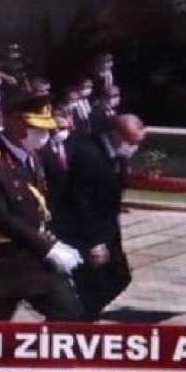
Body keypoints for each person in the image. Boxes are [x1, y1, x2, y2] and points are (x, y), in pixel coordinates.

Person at [0, 94, 85, 321]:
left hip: (31, 256)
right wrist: (47, 247)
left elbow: (36, 203)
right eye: (36, 127)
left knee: (71, 315)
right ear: (13, 121)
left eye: (46, 128)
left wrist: (53, 239)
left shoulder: (32, 156)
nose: (44, 134)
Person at [65, 114, 146, 321]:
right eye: (131, 142)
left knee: (119, 277)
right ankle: (76, 320)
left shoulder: (117, 156)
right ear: (116, 134)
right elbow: (82, 202)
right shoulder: (88, 155)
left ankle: (79, 317)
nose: (133, 148)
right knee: (93, 281)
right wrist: (94, 242)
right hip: (87, 231)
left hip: (108, 227)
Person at [39, 115, 74, 240]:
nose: (62, 132)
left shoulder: (73, 145)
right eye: (59, 128)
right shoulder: (42, 148)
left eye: (65, 128)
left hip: (71, 194)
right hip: (52, 196)